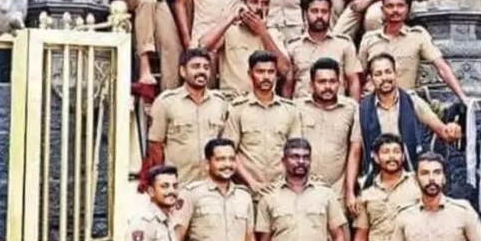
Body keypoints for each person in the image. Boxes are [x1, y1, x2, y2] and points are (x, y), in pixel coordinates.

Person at [347, 55, 461, 181]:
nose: (384, 78)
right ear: (371, 79)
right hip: (376, 178)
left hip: (410, 176)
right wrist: (350, 190)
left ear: (395, 73)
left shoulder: (412, 101)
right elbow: (355, 153)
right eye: (378, 74)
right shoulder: (363, 109)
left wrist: (452, 130)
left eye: (388, 72)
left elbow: (443, 131)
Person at [359, 0, 471, 104]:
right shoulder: (370, 38)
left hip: (405, 102)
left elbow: (441, 67)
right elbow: (359, 75)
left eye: (400, 6)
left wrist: (463, 97)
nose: (395, 10)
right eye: (390, 6)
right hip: (374, 101)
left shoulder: (418, 36)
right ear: (383, 10)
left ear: (407, 8)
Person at [222, 51, 302, 198]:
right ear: (250, 74)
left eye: (271, 72)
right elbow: (229, 151)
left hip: (281, 192)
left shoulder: (290, 110)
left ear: (276, 75)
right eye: (260, 72)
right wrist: (251, 182)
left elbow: (295, 152)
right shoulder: (238, 109)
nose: (266, 77)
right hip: (246, 192)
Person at [147, 49, 230, 185]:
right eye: (195, 66)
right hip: (180, 184)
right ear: (183, 71)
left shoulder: (220, 102)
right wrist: (165, 180)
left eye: (206, 67)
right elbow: (155, 145)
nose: (202, 71)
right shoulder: (166, 102)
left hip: (211, 185)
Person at [255, 139, 349, 241]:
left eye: (306, 157)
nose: (301, 161)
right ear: (284, 160)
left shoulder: (326, 194)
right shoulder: (269, 197)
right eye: (295, 157)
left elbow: (338, 236)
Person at [199, 0, 290, 98]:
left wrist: (263, 32)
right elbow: (203, 46)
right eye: (254, 2)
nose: (259, 7)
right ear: (243, 4)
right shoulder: (229, 31)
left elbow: (284, 69)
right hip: (232, 99)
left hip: (263, 101)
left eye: (265, 4)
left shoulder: (273, 34)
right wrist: (231, 17)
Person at [387, 154, 481, 241]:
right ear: (415, 179)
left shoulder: (463, 211)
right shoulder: (405, 215)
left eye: (437, 172)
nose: (431, 179)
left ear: (444, 178)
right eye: (425, 173)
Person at [297, 57, 360, 205]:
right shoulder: (298, 108)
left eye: (332, 81)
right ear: (312, 84)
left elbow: (355, 152)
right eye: (322, 82)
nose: (327, 87)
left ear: (340, 83)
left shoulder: (351, 109)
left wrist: (350, 191)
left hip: (337, 191)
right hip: (303, 190)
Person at [175, 138, 257, 241]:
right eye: (220, 159)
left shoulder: (244, 196)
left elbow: (249, 240)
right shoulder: (191, 194)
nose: (227, 164)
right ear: (207, 164)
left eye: (232, 159)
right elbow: (176, 237)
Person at [351, 135, 421, 241]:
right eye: (385, 152)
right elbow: (361, 236)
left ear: (403, 156)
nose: (392, 156)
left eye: (396, 152)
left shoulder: (417, 184)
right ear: (376, 157)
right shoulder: (367, 193)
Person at [285, 0, 361, 99]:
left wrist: (354, 108)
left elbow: (353, 82)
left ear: (330, 14)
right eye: (314, 11)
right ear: (305, 14)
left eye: (324, 11)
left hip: (337, 107)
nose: (319, 16)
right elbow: (288, 85)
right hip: (302, 107)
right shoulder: (293, 47)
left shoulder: (344, 44)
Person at [126, 165, 180, 241]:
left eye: (175, 186)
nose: (171, 191)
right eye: (164, 186)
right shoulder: (142, 223)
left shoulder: (167, 221)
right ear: (151, 191)